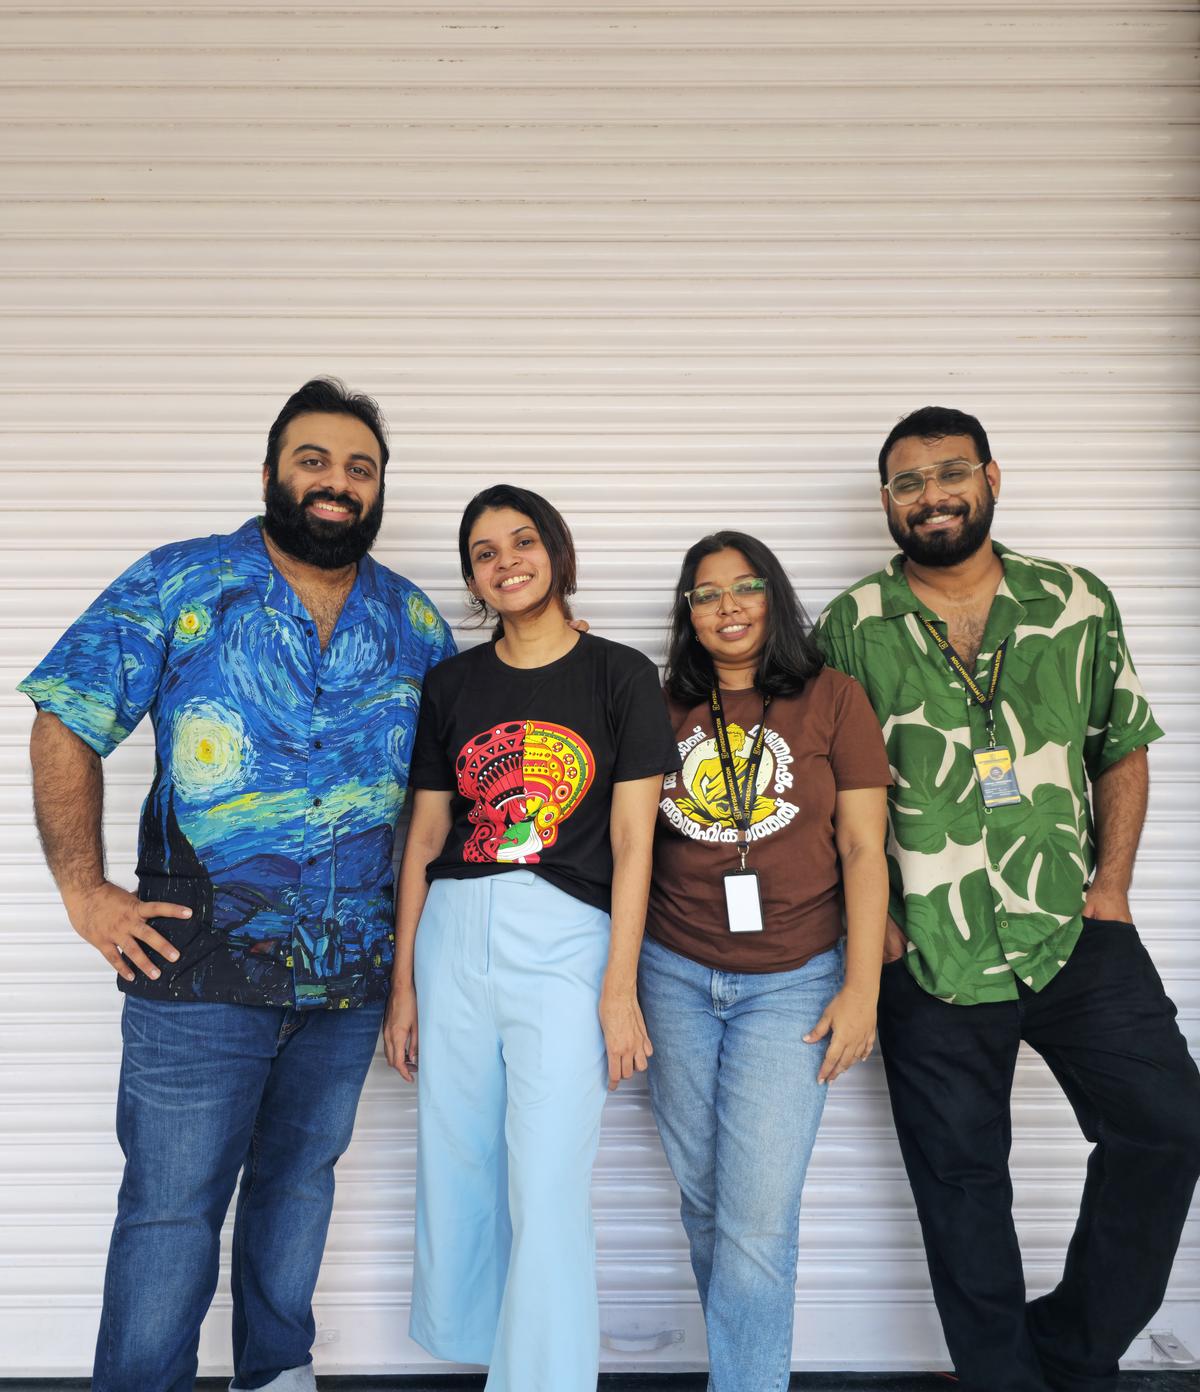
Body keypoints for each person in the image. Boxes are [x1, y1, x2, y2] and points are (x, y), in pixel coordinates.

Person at [19, 378, 454, 1392]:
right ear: (271, 474)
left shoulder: (417, 623)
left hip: (349, 985)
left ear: (381, 489)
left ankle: (277, 1377)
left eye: (359, 468)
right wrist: (85, 892)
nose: (336, 484)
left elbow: (449, 800)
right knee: (171, 1210)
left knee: (298, 1193)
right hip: (194, 971)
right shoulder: (182, 582)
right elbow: (65, 717)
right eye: (314, 461)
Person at [814, 404, 1200, 1392]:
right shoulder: (852, 625)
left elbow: (1123, 744)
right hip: (927, 950)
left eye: (949, 473)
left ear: (991, 476)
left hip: (1073, 930)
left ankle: (1071, 1351)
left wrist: (1110, 887)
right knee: (961, 1193)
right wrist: (880, 928)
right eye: (907, 482)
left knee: (1168, 1128)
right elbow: (823, 790)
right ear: (887, 503)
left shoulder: (1074, 600)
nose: (930, 496)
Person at [381, 484, 680, 1392]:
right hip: (453, 933)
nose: (506, 561)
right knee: (461, 1162)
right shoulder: (452, 684)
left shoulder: (620, 674)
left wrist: (619, 987)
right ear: (473, 577)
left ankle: (543, 1380)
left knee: (547, 1183)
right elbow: (424, 841)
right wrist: (405, 988)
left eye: (521, 541)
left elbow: (636, 843)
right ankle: (485, 1351)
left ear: (555, 550)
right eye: (484, 551)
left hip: (566, 936)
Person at [638, 530, 891, 1392]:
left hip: (793, 982)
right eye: (705, 594)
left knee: (755, 1215)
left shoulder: (833, 699)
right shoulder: (658, 703)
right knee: (708, 1202)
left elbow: (864, 849)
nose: (727, 607)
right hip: (670, 972)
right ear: (688, 613)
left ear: (773, 597)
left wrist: (862, 988)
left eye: (744, 587)